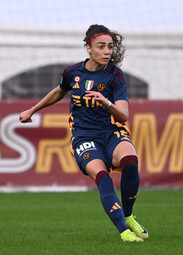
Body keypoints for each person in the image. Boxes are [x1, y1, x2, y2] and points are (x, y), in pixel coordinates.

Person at [19, 24, 148, 243]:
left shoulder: (116, 76)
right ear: (88, 48)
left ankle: (129, 216)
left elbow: (124, 116)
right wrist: (32, 110)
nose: (107, 51)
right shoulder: (72, 73)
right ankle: (124, 232)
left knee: (130, 159)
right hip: (84, 137)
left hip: (111, 132)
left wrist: (107, 103)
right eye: (101, 46)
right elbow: (59, 91)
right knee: (102, 176)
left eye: (110, 47)